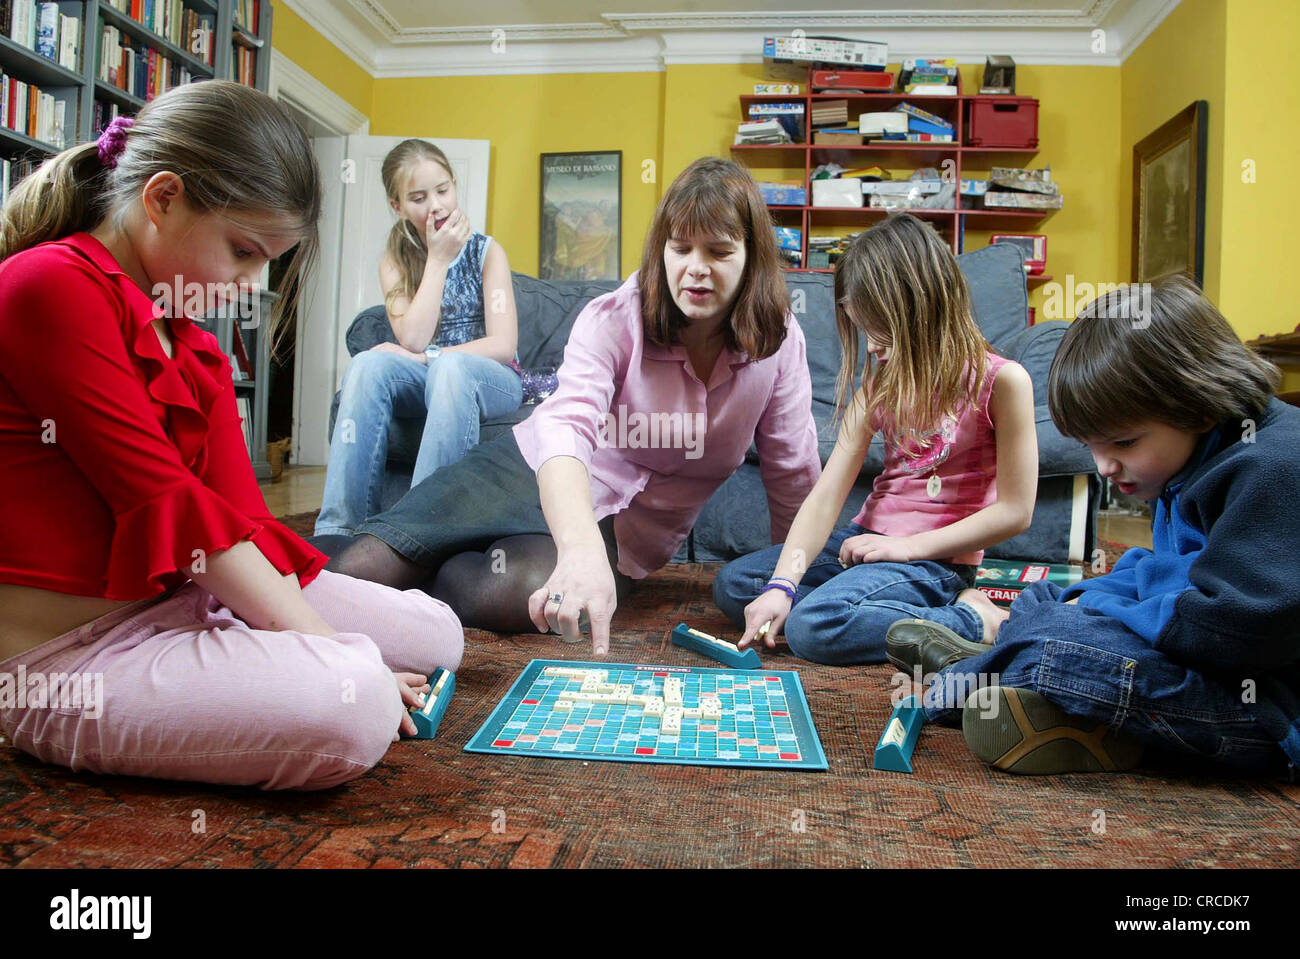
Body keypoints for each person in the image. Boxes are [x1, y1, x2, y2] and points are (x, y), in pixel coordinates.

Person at [0, 82, 463, 791]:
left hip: (180, 602)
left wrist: (308, 633)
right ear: (162, 199)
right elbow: (170, 506)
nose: (251, 284)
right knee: (356, 700)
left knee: (439, 637)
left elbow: (239, 523)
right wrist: (331, 652)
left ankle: (257, 659)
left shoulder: (197, 349)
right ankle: (280, 668)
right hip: (65, 662)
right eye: (243, 251)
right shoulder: (46, 287)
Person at [324, 157, 822, 654]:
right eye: (680, 248)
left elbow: (792, 473)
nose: (695, 267)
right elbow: (565, 427)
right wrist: (578, 546)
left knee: (517, 594)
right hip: (531, 466)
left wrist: (784, 581)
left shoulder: (779, 345)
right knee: (360, 570)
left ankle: (439, 562)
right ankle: (380, 558)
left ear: (752, 257)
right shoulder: (616, 316)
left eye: (718, 251)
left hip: (627, 536)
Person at [901, 277, 1299, 778]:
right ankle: (1054, 698)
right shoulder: (1195, 452)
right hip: (1203, 650)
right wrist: (1084, 601)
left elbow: (1232, 634)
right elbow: (1164, 574)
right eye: (1092, 445)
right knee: (1047, 603)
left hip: (1269, 710)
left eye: (1124, 443)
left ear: (1196, 404)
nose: (1105, 466)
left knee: (1060, 651)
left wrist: (1098, 612)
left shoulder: (1275, 469)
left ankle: (993, 668)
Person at [713, 213, 1038, 665]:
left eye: (877, 327)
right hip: (864, 543)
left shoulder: (1003, 382)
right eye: (861, 327)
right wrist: (783, 586)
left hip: (935, 561)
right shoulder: (879, 384)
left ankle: (973, 619)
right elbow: (828, 495)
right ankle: (866, 610)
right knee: (737, 585)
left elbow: (1016, 512)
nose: (869, 345)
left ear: (918, 306)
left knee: (815, 625)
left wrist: (906, 548)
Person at [314, 138, 522, 537]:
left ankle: (414, 533)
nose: (436, 206)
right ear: (397, 206)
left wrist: (431, 358)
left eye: (443, 190)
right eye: (419, 198)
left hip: (492, 377)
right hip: (432, 372)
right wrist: (438, 260)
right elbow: (411, 337)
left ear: (455, 185)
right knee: (367, 364)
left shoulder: (487, 252)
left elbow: (503, 346)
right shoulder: (394, 258)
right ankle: (337, 533)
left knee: (452, 367)